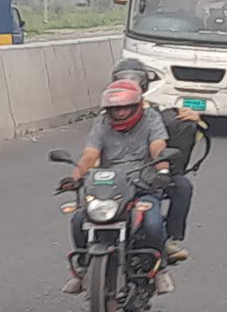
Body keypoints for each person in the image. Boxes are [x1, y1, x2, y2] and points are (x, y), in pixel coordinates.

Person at [61, 79, 176, 295]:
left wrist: (162, 170)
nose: (120, 113)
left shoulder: (151, 118)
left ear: (137, 106)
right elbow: (90, 155)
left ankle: (160, 271)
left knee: (152, 224)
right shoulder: (102, 123)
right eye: (115, 109)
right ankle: (84, 269)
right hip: (110, 188)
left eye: (125, 107)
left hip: (143, 186)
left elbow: (157, 146)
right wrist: (75, 177)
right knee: (79, 220)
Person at [111, 59, 205, 264]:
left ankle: (171, 240)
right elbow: (92, 151)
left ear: (144, 85)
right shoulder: (107, 112)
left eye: (135, 79)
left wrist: (194, 120)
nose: (130, 84)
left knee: (182, 186)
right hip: (114, 177)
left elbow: (163, 143)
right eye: (124, 79)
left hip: (149, 174)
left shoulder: (157, 112)